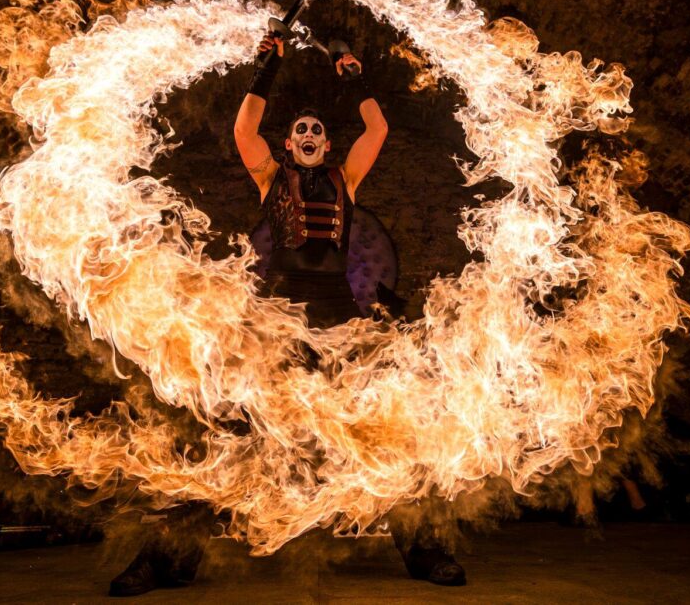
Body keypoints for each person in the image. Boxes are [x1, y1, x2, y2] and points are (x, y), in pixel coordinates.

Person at [107, 31, 464, 597]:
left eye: (317, 130)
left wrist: (353, 74)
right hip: (276, 322)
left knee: (384, 430)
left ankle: (425, 550)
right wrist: (266, 68)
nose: (309, 133)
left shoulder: (347, 180)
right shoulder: (270, 178)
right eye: (300, 129)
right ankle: (168, 557)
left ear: (325, 145)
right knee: (231, 431)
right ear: (290, 142)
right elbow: (244, 130)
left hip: (340, 321)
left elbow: (378, 130)